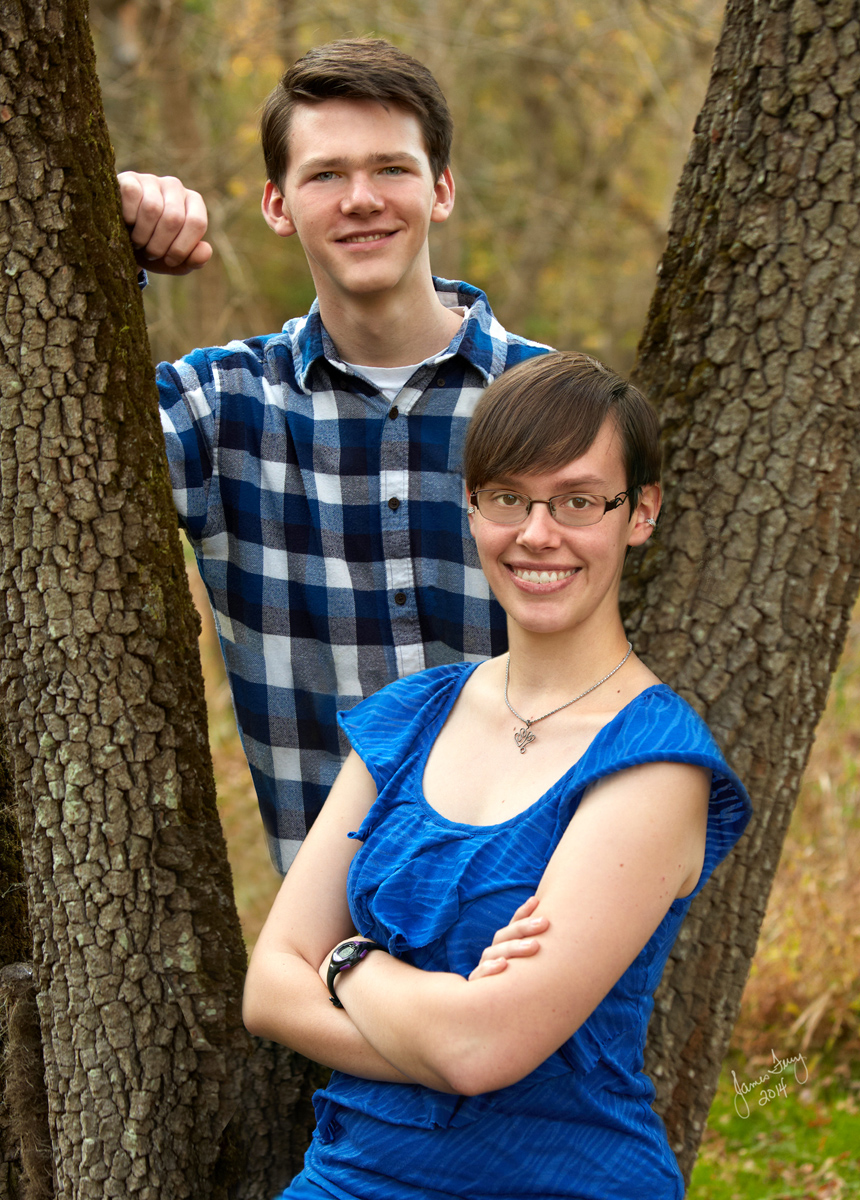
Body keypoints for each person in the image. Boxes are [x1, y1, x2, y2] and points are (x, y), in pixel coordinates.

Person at [242, 351, 752, 1200]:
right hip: (346, 1179)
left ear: (641, 513)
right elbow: (267, 989)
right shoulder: (411, 717)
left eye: (579, 500)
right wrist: (446, 1035)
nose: (538, 533)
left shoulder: (655, 761)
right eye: (509, 498)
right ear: (473, 509)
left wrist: (341, 962)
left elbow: (483, 1050)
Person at [118, 38, 550, 873]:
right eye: (326, 175)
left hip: (542, 918)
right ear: (278, 205)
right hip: (330, 937)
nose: (361, 199)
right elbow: (41, 447)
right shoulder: (222, 407)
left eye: (391, 168)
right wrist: (93, 238)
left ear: (442, 190)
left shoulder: (552, 402)